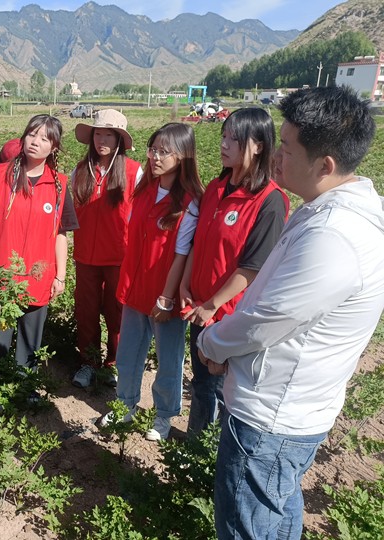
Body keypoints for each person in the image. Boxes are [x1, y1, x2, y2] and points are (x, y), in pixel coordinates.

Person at [197, 85, 384, 540]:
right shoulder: (328, 213)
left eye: (285, 146)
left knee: (247, 526)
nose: (275, 155)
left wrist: (211, 342)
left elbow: (267, 319)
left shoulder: (334, 236)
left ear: (325, 166)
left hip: (271, 418)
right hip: (287, 410)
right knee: (275, 515)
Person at [180, 107, 289, 437]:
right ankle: (194, 447)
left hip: (230, 314)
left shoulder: (270, 201)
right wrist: (185, 285)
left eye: (234, 139)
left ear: (258, 145)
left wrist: (212, 304)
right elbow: (198, 242)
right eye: (223, 136)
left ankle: (212, 454)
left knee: (222, 391)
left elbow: (253, 267)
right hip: (200, 308)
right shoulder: (216, 188)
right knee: (202, 384)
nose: (224, 144)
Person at [101, 123, 204, 440]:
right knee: (129, 353)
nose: (155, 157)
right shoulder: (145, 190)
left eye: (164, 152)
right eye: (153, 149)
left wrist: (167, 298)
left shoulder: (188, 203)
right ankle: (125, 404)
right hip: (135, 287)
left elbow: (181, 254)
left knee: (169, 360)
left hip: (163, 294)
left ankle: (164, 415)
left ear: (183, 156)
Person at [0, 114, 78, 370]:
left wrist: (60, 276)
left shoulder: (59, 186)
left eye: (44, 138)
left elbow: (61, 234)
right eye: (32, 135)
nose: (35, 142)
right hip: (0, 276)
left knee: (29, 348)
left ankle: (25, 385)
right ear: (23, 138)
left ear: (53, 147)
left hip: (38, 276)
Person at [70, 109, 143, 388]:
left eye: (109, 135)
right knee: (86, 311)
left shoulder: (134, 171)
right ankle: (88, 363)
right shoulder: (80, 170)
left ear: (119, 140)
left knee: (118, 313)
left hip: (119, 257)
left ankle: (114, 364)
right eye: (98, 134)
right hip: (85, 256)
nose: (102, 140)